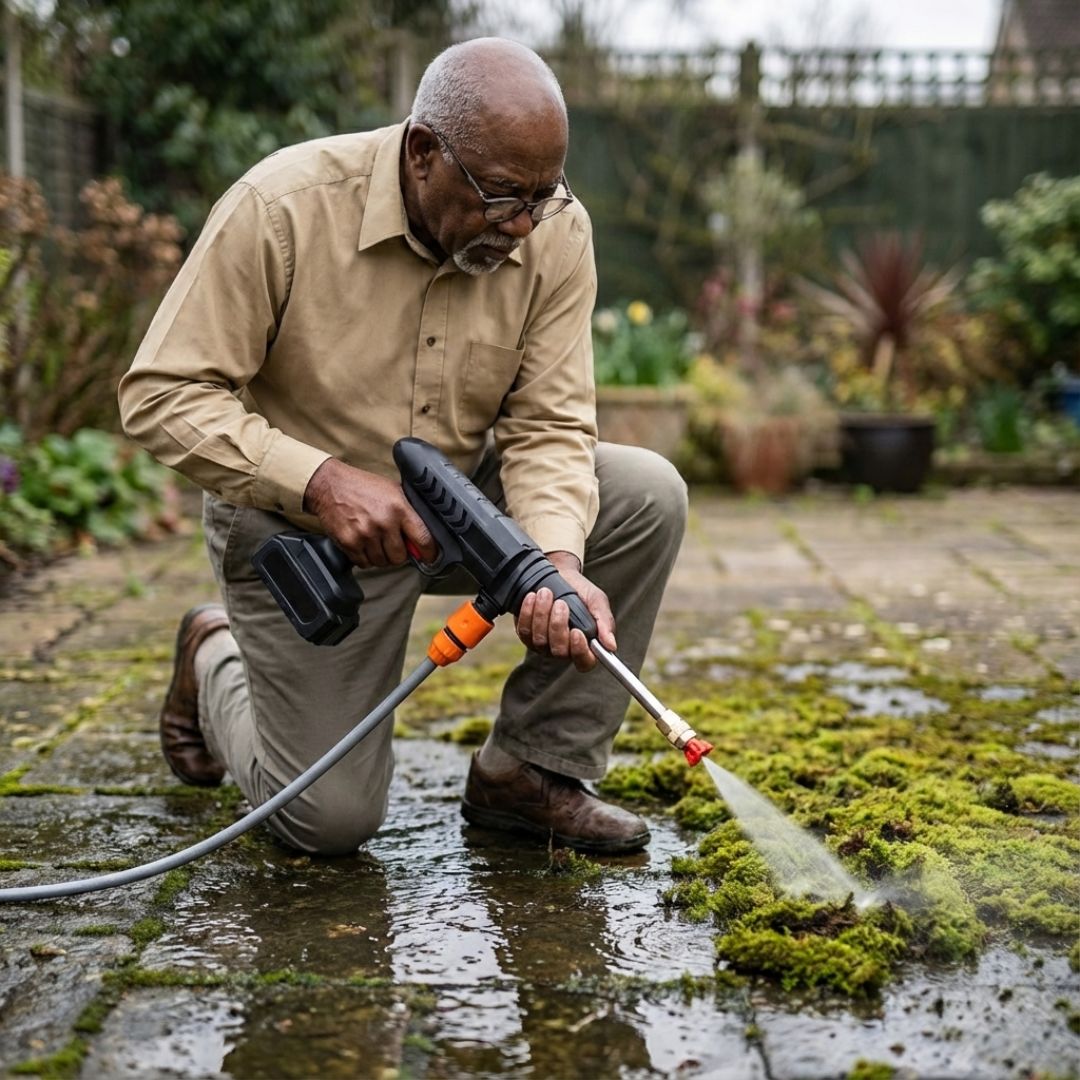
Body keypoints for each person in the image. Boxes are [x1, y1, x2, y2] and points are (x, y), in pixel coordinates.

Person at [118, 37, 687, 857]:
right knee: (325, 822)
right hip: (305, 536)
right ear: (424, 154)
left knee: (645, 493)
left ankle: (529, 772)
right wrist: (320, 483)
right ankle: (213, 655)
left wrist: (558, 560)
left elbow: (551, 426)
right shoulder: (282, 207)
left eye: (542, 194)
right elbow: (162, 393)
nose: (522, 226)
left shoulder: (555, 232)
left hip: (460, 505)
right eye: (500, 196)